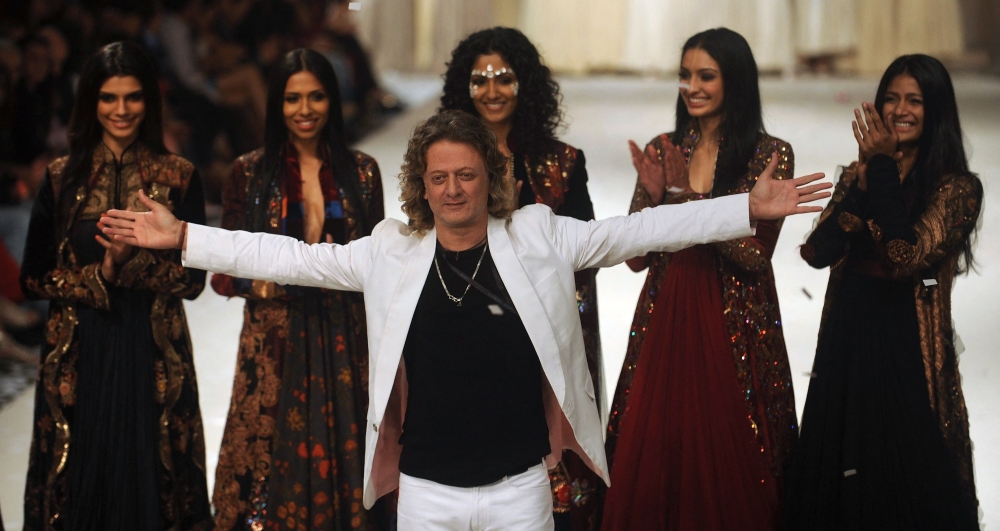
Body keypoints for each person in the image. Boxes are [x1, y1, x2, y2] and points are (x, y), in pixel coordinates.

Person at [99, 109, 830, 531]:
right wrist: (185, 238)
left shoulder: (542, 235)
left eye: (467, 174)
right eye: (439, 177)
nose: (453, 189)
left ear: (491, 177)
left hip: (519, 488)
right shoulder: (390, 251)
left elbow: (640, 233)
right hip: (426, 492)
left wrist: (746, 208)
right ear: (422, 183)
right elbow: (288, 255)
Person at [600, 28, 798, 531]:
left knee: (736, 456)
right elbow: (636, 256)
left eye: (705, 75)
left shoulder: (768, 154)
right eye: (685, 75)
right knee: (658, 445)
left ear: (736, 81)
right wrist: (651, 196)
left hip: (737, 326)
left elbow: (755, 257)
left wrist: (685, 203)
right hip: (666, 312)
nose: (692, 86)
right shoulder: (665, 146)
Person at [785, 54, 982, 530]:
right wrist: (859, 184)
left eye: (914, 100)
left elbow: (904, 256)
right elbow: (818, 250)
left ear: (935, 110)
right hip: (848, 345)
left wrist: (881, 172)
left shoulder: (957, 189)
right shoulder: (860, 175)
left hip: (906, 354)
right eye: (891, 98)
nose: (900, 109)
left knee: (908, 483)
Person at [18, 41, 210, 530]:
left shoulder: (179, 176)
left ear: (150, 100)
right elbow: (33, 277)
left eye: (133, 97)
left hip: (153, 347)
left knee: (154, 470)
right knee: (82, 470)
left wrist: (131, 267)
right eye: (108, 98)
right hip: (79, 350)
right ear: (91, 102)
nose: (121, 110)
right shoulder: (62, 179)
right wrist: (102, 274)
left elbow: (192, 281)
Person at [208, 48, 391, 530]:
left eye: (316, 97)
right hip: (271, 342)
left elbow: (379, 264)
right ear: (276, 104)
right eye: (292, 98)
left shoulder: (363, 171)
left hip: (343, 340)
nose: (304, 109)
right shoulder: (247, 173)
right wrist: (275, 281)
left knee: (346, 449)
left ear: (334, 100)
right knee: (264, 454)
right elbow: (222, 271)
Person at [440, 26, 604, 528]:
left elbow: (587, 252)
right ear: (461, 89)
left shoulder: (562, 161)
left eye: (504, 78)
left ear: (525, 84)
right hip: (473, 321)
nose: (491, 91)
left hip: (551, 324)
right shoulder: (446, 158)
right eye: (480, 79)